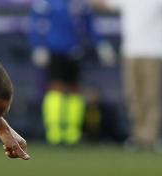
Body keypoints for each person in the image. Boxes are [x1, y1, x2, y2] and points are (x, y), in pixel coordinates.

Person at [90, 0, 162, 151]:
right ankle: (138, 135)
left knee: (152, 96)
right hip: (131, 52)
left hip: (154, 52)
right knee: (133, 96)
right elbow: (102, 4)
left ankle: (152, 136)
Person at [29, 0, 115, 145]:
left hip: (75, 51)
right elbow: (36, 24)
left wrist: (101, 44)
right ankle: (54, 132)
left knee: (74, 91)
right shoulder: (46, 3)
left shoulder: (80, 4)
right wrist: (38, 45)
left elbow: (90, 26)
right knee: (56, 89)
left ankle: (72, 132)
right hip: (54, 50)